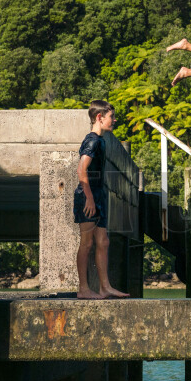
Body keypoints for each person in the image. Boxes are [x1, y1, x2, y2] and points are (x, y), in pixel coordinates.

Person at [73, 100, 129, 300]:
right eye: (111, 117)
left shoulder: (101, 140)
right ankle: (83, 289)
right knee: (87, 243)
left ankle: (105, 287)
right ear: (99, 117)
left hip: (98, 195)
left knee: (103, 241)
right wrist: (89, 198)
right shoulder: (92, 140)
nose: (114, 120)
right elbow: (81, 169)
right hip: (87, 195)